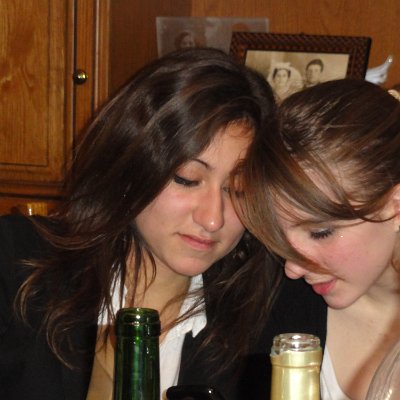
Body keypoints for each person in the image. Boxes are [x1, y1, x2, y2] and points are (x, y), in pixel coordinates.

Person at [0, 47, 280, 400]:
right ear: (133, 165)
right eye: (187, 179)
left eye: (238, 190)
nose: (213, 218)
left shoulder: (266, 317)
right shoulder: (15, 263)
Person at [238, 78, 400, 399]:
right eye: (279, 236)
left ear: (395, 206)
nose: (293, 268)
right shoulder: (276, 309)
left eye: (320, 232)